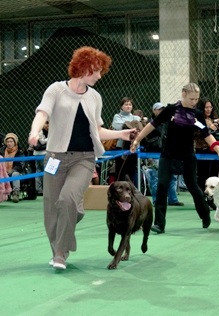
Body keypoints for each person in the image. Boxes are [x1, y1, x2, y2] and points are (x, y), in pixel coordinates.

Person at [28, 46, 137, 270]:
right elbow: (42, 113)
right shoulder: (56, 90)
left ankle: (61, 253)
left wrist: (120, 134)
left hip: (84, 158)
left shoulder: (95, 97)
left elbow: (97, 130)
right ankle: (63, 236)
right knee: (52, 207)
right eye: (97, 70)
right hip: (55, 157)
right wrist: (34, 132)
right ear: (84, 67)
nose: (99, 75)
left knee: (67, 200)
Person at [130, 83, 219, 234]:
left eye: (196, 99)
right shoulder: (170, 110)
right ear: (183, 94)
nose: (194, 102)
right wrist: (137, 140)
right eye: (191, 99)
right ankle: (159, 224)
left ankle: (205, 214)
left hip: (187, 155)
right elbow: (152, 125)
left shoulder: (197, 114)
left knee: (193, 187)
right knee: (162, 186)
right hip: (168, 155)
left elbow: (206, 134)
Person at [142, 102, 184, 206]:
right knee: (155, 177)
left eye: (162, 109)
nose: (161, 111)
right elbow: (144, 139)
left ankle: (172, 199)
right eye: (159, 109)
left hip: (169, 153)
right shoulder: (150, 123)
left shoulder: (169, 122)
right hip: (153, 153)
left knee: (173, 176)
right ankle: (157, 200)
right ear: (154, 111)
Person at [195, 98, 219, 210]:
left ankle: (212, 200)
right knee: (203, 176)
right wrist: (209, 128)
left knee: (214, 175)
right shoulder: (198, 119)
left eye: (210, 107)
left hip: (215, 151)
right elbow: (197, 134)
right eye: (206, 107)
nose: (208, 109)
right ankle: (202, 200)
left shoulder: (213, 119)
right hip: (202, 149)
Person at [111, 97, 141, 181]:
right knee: (120, 171)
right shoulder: (117, 116)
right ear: (121, 106)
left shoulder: (136, 118)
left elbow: (139, 127)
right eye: (126, 104)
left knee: (132, 171)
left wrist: (127, 126)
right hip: (120, 147)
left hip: (133, 147)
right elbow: (118, 126)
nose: (128, 106)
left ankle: (132, 191)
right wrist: (131, 126)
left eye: (130, 104)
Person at [0, 133, 24, 203]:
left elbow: (20, 165)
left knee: (15, 174)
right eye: (7, 142)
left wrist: (12, 170)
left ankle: (15, 194)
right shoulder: (2, 151)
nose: (9, 143)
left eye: (11, 141)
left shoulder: (20, 152)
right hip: (3, 172)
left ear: (15, 142)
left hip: (15, 171)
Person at [33, 121, 49, 195]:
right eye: (46, 123)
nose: (47, 125)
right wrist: (50, 138)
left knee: (40, 171)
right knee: (42, 171)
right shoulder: (39, 131)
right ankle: (41, 190)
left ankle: (40, 189)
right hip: (41, 154)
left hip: (40, 154)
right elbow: (42, 142)